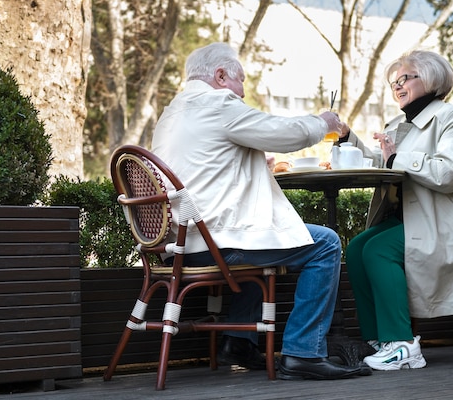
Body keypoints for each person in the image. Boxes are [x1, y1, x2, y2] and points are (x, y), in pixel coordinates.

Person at [151, 42, 368, 380]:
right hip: (214, 242)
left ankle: (239, 343)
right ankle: (303, 354)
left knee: (261, 238)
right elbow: (281, 133)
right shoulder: (218, 102)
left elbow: (204, 163)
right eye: (241, 81)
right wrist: (321, 122)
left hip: (178, 243)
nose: (242, 92)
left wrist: (248, 161)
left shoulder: (174, 112)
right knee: (324, 243)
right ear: (221, 76)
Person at [343, 50, 453, 370]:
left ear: (431, 78)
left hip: (445, 224)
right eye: (394, 81)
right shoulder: (398, 124)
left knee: (378, 250)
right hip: (412, 220)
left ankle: (403, 345)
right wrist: (345, 136)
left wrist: (398, 160)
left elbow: (449, 173)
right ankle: (380, 338)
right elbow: (383, 162)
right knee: (356, 248)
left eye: (405, 78)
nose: (397, 85)